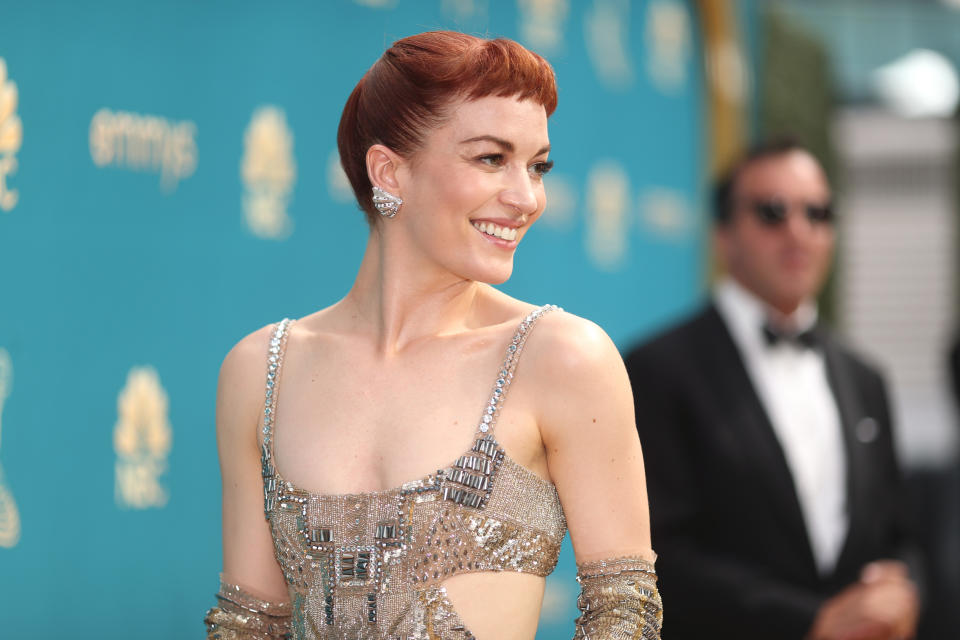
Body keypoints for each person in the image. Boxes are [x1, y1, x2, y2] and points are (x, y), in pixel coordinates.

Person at [204, 31, 662, 639]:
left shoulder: (561, 358)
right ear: (389, 172)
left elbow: (623, 613)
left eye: (538, 166)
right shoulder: (261, 369)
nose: (527, 198)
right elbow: (248, 624)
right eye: (491, 159)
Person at [624, 139, 917, 640]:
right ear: (723, 235)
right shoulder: (656, 370)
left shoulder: (866, 379)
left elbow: (897, 536)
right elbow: (651, 557)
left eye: (818, 213)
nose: (798, 231)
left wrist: (905, 589)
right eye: (771, 212)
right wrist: (809, 622)